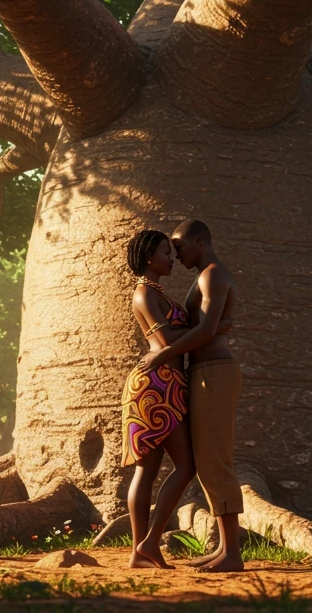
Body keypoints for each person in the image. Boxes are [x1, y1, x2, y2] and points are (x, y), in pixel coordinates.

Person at [139, 219, 243, 573]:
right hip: (203, 373)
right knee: (205, 463)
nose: (175, 253)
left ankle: (233, 554)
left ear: (199, 241)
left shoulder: (212, 274)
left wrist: (163, 354)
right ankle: (225, 549)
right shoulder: (204, 276)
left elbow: (208, 328)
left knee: (216, 460)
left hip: (214, 372)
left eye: (179, 246)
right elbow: (204, 326)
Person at [121, 229, 198, 569]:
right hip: (155, 387)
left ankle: (142, 551)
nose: (172, 258)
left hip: (165, 383)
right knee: (179, 466)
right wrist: (208, 329)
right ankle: (145, 546)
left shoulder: (154, 293)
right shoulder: (142, 294)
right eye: (166, 252)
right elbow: (166, 341)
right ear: (149, 256)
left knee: (151, 470)